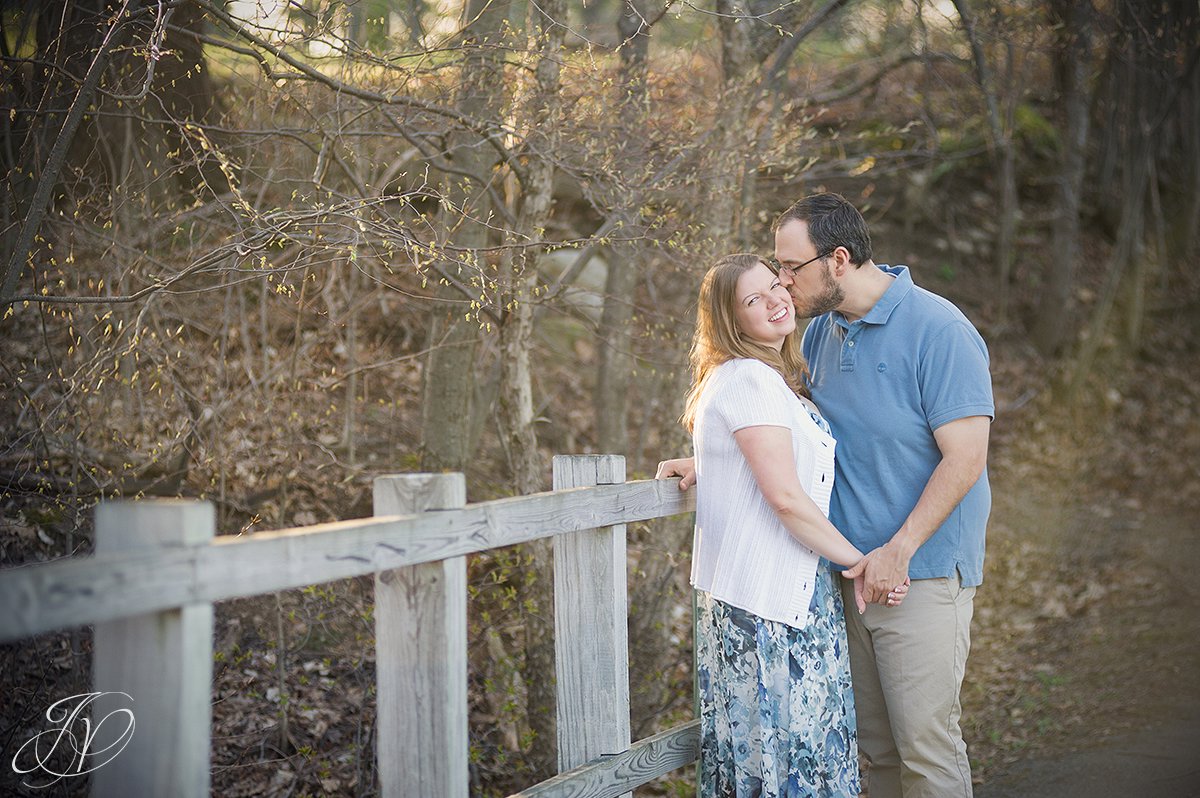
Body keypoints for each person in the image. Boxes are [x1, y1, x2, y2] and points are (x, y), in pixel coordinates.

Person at [659, 194, 993, 798]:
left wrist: (900, 548)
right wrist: (724, 461)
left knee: (926, 745)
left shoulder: (939, 330)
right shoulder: (820, 338)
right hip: (841, 575)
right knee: (877, 750)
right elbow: (803, 444)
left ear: (837, 260)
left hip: (917, 572)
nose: (782, 282)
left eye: (789, 268)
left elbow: (966, 458)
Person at [680, 252, 907, 798]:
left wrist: (703, 464)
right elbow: (784, 497)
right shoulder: (750, 379)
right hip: (764, 607)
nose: (775, 301)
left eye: (774, 286)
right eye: (752, 301)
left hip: (794, 596)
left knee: (797, 758)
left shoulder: (767, 378)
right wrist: (861, 563)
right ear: (732, 323)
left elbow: (766, 463)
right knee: (782, 763)